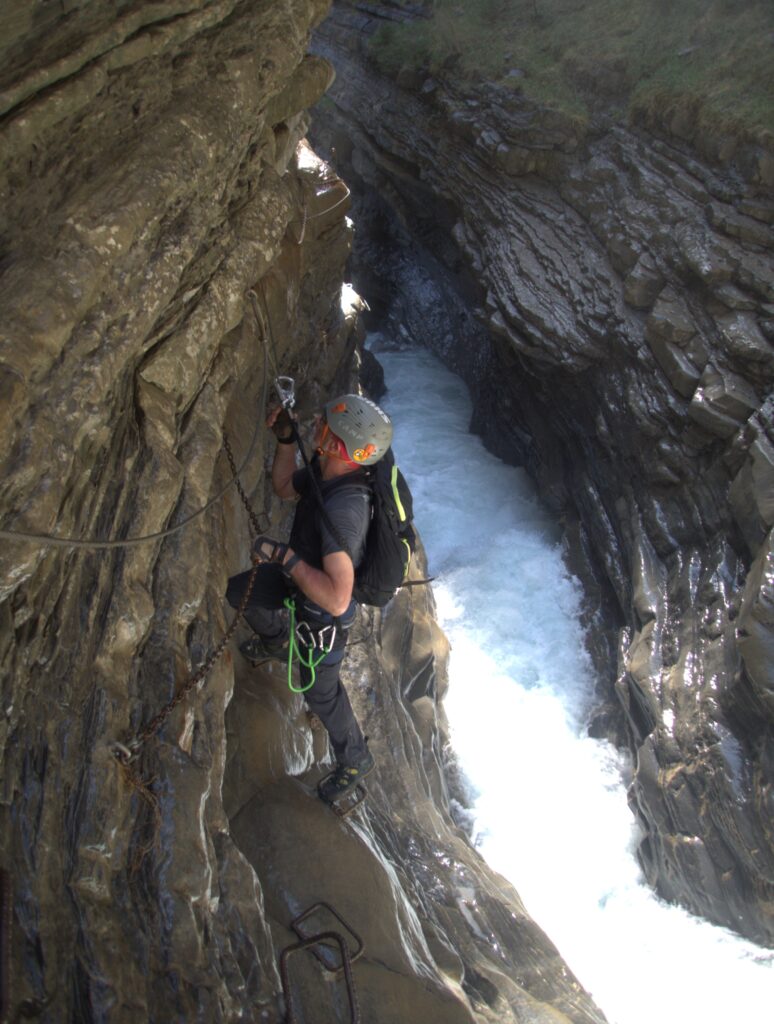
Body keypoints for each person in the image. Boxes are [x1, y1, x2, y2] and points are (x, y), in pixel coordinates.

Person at [225, 393, 393, 804]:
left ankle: (354, 758)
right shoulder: (326, 469)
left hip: (322, 612)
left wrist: (283, 557)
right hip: (299, 578)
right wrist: (286, 440)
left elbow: (337, 599)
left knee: (319, 691)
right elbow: (284, 487)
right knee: (239, 591)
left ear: (339, 444)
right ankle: (278, 642)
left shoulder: (345, 510)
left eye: (325, 425)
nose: (317, 423)